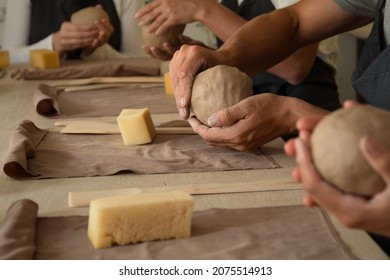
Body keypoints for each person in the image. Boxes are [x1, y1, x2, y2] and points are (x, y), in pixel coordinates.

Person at [168, 0, 390, 252]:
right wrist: (225, 57)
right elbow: (296, 22)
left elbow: (295, 65)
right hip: (359, 161)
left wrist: (293, 113)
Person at [136, 0, 341, 121]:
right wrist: (209, 55)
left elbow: (295, 66)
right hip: (247, 113)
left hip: (303, 111)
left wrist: (202, 8)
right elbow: (244, 54)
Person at [2, 0, 146, 63]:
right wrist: (54, 44)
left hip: (113, 93)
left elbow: (140, 62)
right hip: (36, 92)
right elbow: (9, 56)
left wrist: (96, 51)